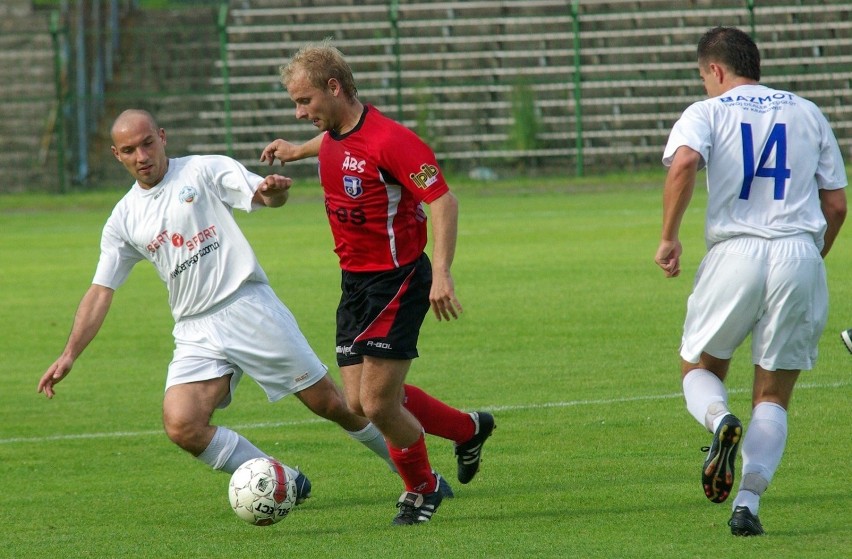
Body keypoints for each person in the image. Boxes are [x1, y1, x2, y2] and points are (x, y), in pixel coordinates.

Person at [37, 109, 409, 504]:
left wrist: (274, 190)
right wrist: (69, 354)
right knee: (183, 425)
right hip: (194, 328)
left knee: (331, 404)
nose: (142, 155)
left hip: (246, 306)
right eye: (130, 150)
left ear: (162, 137)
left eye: (148, 143)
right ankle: (284, 481)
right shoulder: (123, 218)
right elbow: (100, 290)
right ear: (117, 155)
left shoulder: (203, 170)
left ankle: (414, 472)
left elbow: (264, 195)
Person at [260, 41, 495, 525]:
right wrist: (295, 150)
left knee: (377, 402)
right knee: (357, 401)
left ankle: (422, 489)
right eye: (294, 105)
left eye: (304, 102)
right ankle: (468, 430)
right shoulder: (334, 135)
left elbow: (443, 201)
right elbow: (331, 146)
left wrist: (443, 272)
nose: (301, 112)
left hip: (399, 280)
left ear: (334, 87)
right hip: (354, 285)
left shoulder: (392, 141)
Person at [654, 27, 847, 536]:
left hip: (735, 252)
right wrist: (810, 255)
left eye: (703, 77)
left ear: (715, 70)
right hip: (799, 254)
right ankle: (747, 506)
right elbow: (836, 204)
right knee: (774, 396)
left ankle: (719, 420)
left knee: (699, 366)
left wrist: (669, 237)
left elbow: (685, 164)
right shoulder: (807, 111)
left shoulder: (708, 112)